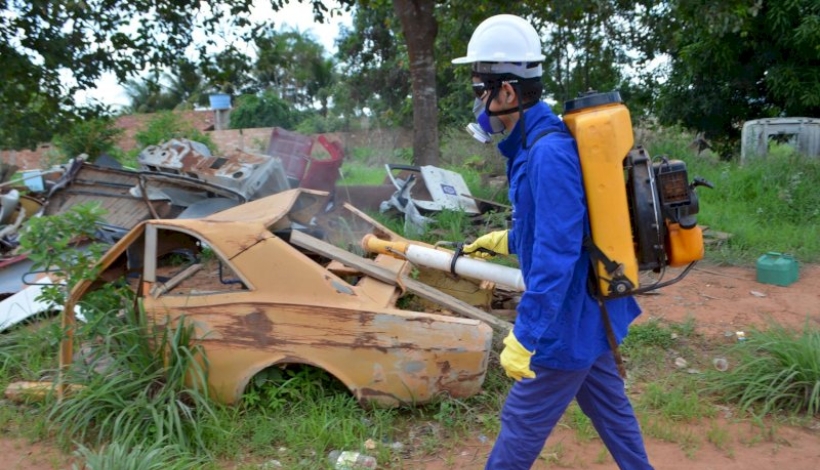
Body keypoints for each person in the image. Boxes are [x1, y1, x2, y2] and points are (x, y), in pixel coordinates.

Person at [451, 14, 654, 470]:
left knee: (521, 424)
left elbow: (556, 256)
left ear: (507, 91)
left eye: (479, 90)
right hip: (586, 313)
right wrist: (503, 240)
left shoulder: (547, 152)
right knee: (611, 411)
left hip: (566, 319)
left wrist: (526, 335)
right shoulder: (529, 145)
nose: (478, 103)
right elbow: (549, 229)